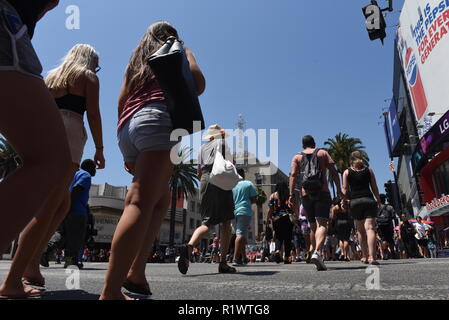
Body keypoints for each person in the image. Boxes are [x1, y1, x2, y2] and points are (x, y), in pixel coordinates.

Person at [100, 21, 205, 300]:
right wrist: (188, 54)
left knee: (158, 201)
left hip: (128, 126)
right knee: (140, 200)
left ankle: (137, 274)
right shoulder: (179, 49)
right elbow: (198, 84)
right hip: (157, 119)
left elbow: (121, 99)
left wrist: (124, 144)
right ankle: (110, 291)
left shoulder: (135, 61)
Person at [2, 43, 105, 293]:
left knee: (61, 204)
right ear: (90, 60)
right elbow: (92, 113)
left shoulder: (52, 76)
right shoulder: (88, 76)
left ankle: (32, 263)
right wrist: (100, 148)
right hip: (70, 130)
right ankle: (15, 277)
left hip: (46, 126)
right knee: (48, 207)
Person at [0, 0, 74, 299]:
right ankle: (19, 274)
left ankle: (21, 273)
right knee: (50, 161)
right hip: (6, 28)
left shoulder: (58, 77)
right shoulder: (86, 76)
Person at [177, 124, 237, 275]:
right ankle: (223, 263)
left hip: (204, 179)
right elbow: (231, 163)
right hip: (220, 177)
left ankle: (189, 247)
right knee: (226, 221)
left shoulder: (201, 148)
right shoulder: (222, 143)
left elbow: (198, 172)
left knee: (207, 221)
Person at [289, 135, 342, 271]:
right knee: (322, 223)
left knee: (313, 226)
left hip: (305, 195)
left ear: (302, 145)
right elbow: (334, 172)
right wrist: (339, 190)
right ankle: (317, 252)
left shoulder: (297, 157)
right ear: (314, 143)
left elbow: (293, 175)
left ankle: (313, 250)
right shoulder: (322, 153)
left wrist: (291, 195)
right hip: (322, 192)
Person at [43, 159, 97, 269]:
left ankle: (44, 252)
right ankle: (70, 261)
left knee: (61, 235)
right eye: (94, 168)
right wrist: (69, 205)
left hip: (64, 210)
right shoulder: (85, 175)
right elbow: (77, 188)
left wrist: (64, 207)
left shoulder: (73, 174)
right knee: (75, 238)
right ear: (89, 167)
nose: (95, 170)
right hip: (76, 212)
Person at [342, 151, 382, 265]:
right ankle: (373, 257)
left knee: (360, 230)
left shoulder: (346, 172)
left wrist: (344, 201)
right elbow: (374, 186)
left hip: (355, 202)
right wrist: (378, 199)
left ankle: (364, 256)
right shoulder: (369, 170)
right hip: (369, 200)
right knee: (370, 228)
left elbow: (345, 189)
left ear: (351, 159)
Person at [231, 169, 258, 266]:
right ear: (243, 175)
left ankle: (243, 258)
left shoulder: (231, 186)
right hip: (244, 211)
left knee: (241, 235)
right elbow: (255, 199)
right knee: (240, 235)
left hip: (233, 212)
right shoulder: (248, 184)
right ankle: (235, 259)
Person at [266, 182, 294, 264]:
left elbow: (270, 209)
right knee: (287, 238)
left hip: (276, 218)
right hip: (287, 217)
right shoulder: (288, 195)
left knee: (278, 236)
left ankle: (277, 250)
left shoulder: (273, 195)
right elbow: (292, 206)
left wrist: (267, 219)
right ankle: (286, 258)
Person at [376, 194, 397, 260]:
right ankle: (393, 252)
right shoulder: (390, 207)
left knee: (383, 239)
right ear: (385, 199)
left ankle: (385, 253)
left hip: (380, 226)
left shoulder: (376, 207)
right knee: (390, 239)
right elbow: (394, 216)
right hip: (389, 225)